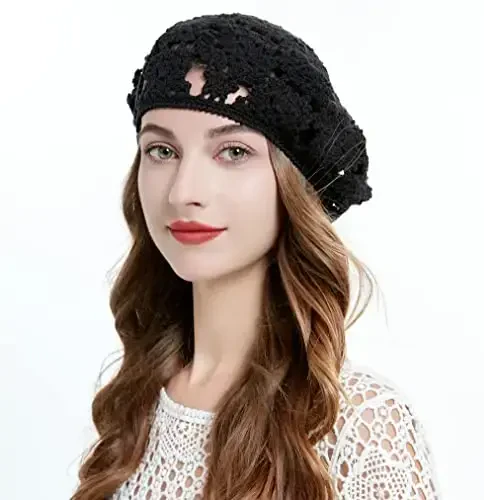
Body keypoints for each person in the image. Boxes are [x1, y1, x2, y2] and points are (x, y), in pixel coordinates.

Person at [71, 12, 441, 500]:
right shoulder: (132, 409)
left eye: (233, 152)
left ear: (293, 182)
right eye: (161, 150)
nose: (183, 192)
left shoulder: (361, 428)